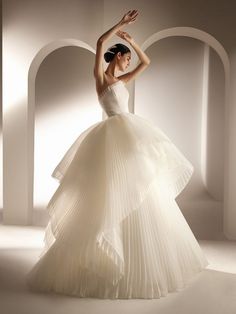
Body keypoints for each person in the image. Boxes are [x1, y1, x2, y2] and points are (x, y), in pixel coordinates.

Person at [26, 10, 209, 299]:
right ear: (116, 57)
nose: (128, 62)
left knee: (139, 185)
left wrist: (133, 42)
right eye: (125, 58)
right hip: (111, 137)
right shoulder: (101, 79)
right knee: (111, 189)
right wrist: (120, 25)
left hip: (129, 135)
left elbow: (147, 61)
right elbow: (100, 43)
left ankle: (142, 253)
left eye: (128, 60)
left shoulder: (124, 80)